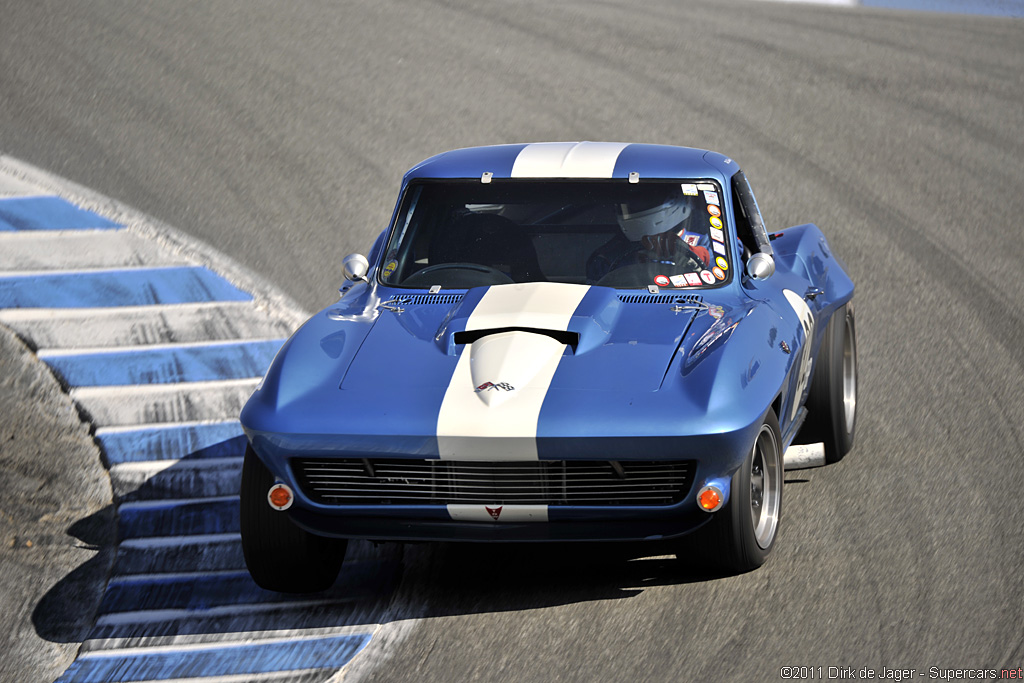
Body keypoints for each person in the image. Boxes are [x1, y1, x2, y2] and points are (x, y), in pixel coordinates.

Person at [587, 188, 711, 283]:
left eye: (644, 198)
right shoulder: (607, 257)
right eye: (629, 201)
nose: (634, 204)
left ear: (673, 199)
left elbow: (720, 283)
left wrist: (693, 259)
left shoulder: (705, 243)